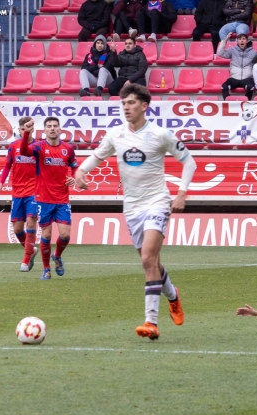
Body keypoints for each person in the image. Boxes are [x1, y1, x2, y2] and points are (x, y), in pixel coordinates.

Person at [76, 84, 196, 341]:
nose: (126, 107)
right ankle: (173, 295)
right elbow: (96, 157)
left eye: (131, 103)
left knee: (146, 261)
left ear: (144, 106)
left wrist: (182, 193)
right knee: (151, 262)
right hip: (131, 207)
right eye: (124, 103)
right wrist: (81, 171)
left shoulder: (160, 134)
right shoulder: (115, 135)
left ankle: (151, 322)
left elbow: (189, 161)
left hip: (157, 202)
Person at [19, 117, 78, 281]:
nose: (52, 128)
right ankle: (46, 269)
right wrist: (26, 134)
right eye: (49, 126)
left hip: (62, 199)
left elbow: (74, 166)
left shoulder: (68, 148)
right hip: (43, 199)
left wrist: (73, 178)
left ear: (60, 129)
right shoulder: (38, 147)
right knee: (46, 234)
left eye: (55, 126)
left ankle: (57, 255)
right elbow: (23, 152)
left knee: (65, 235)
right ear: (44, 130)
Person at [0, 116, 40, 273]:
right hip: (17, 192)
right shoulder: (13, 146)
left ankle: (26, 260)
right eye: (23, 128)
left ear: (32, 129)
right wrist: (1, 182)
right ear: (19, 130)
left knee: (31, 223)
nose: (26, 130)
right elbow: (7, 165)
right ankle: (31, 250)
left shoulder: (39, 146)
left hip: (34, 191)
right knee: (18, 229)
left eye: (29, 127)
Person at [217, 32, 257, 99]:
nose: (241, 40)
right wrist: (226, 40)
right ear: (237, 41)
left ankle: (246, 104)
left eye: (243, 39)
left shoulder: (253, 52)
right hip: (234, 77)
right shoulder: (232, 50)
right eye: (239, 39)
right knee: (224, 87)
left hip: (247, 77)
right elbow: (220, 53)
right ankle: (229, 103)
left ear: (247, 41)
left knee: (251, 87)